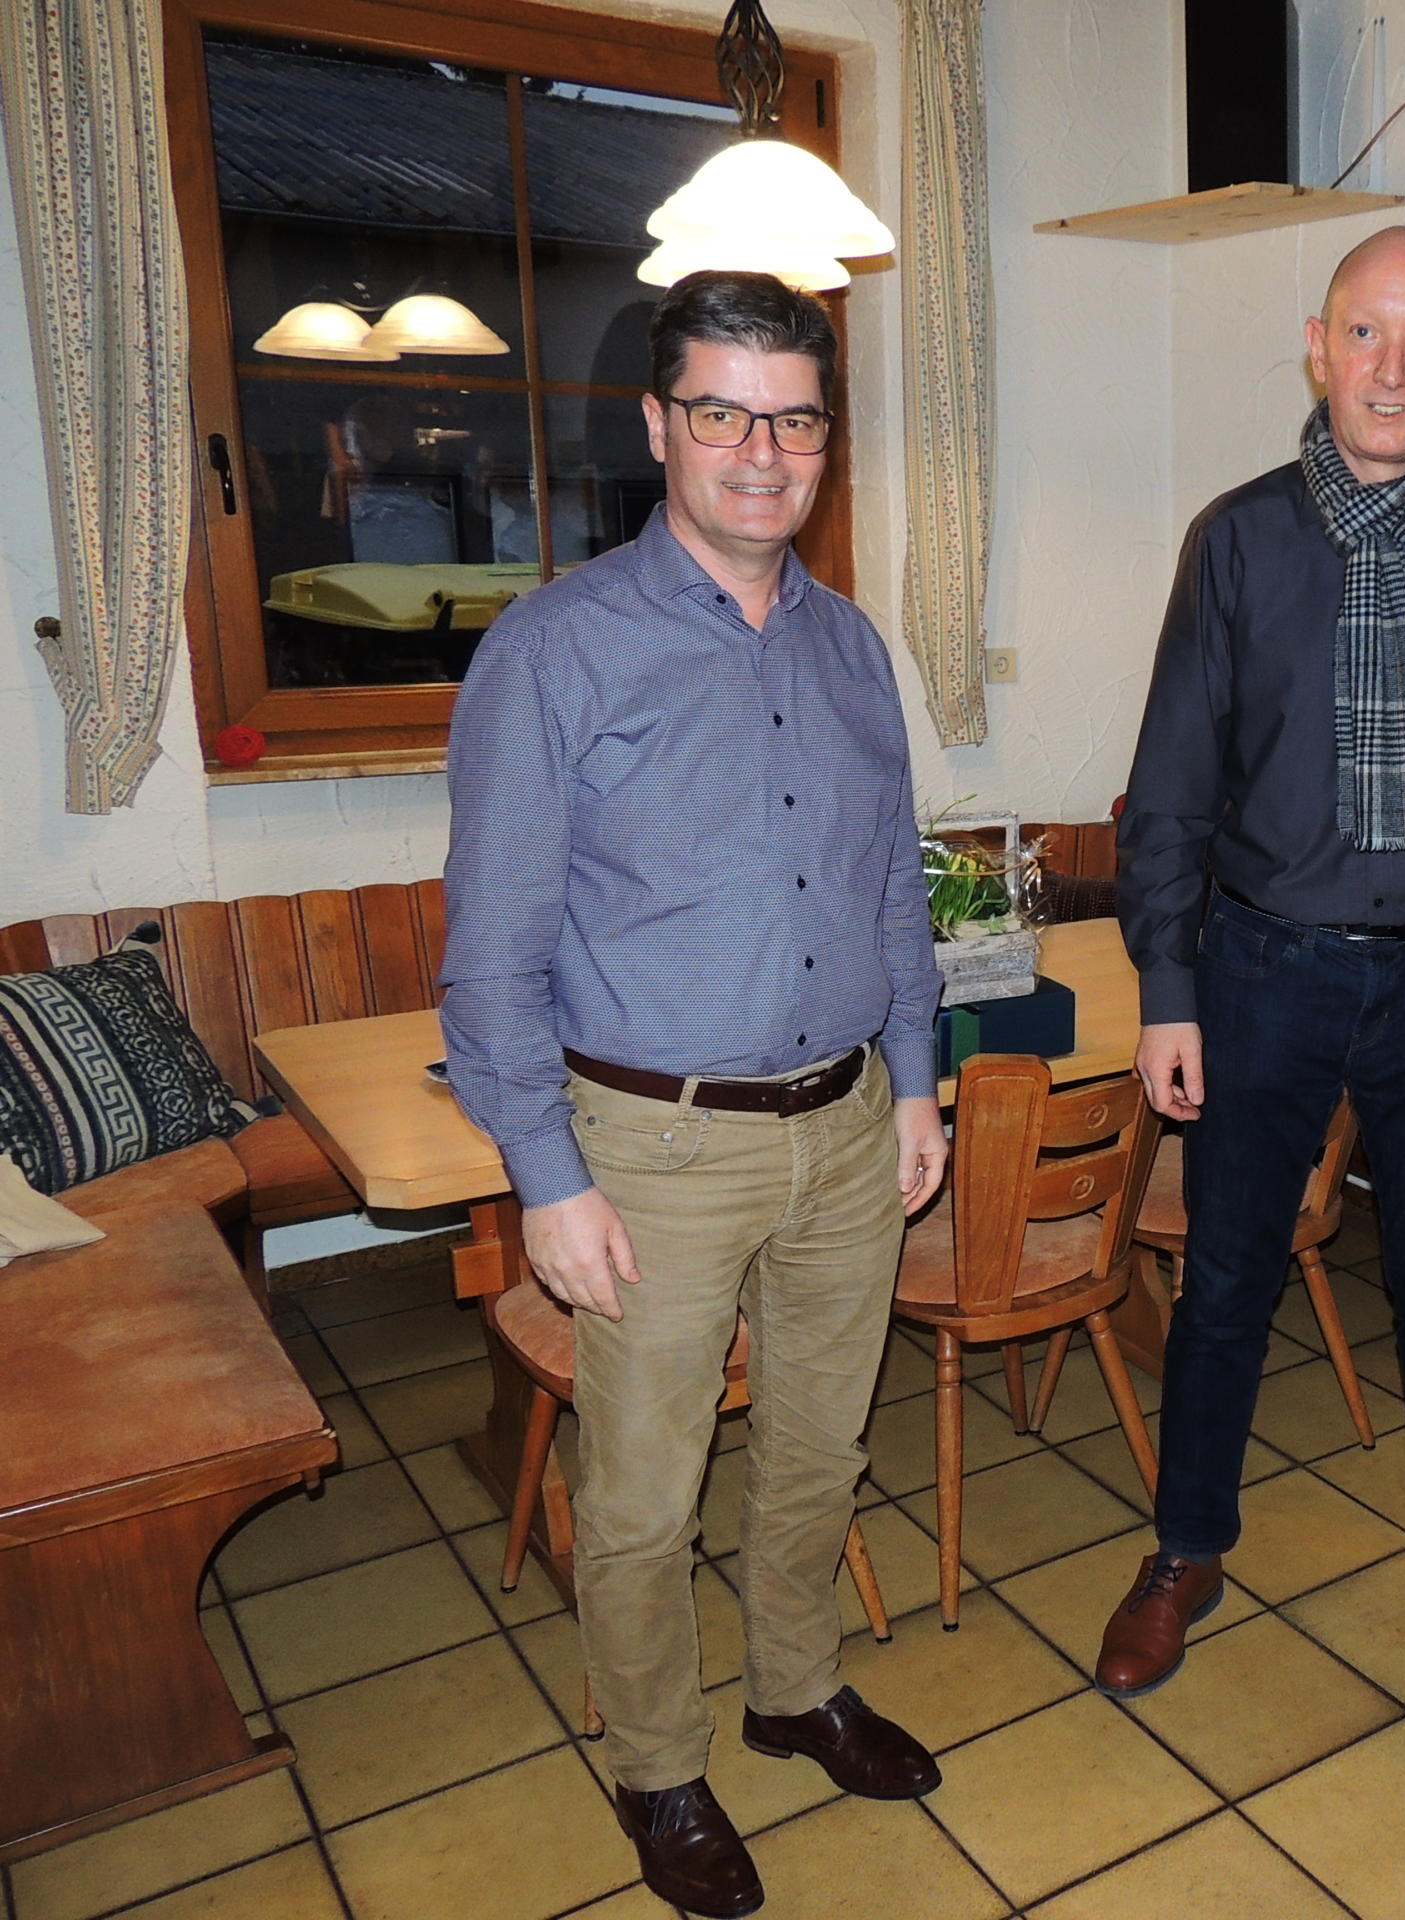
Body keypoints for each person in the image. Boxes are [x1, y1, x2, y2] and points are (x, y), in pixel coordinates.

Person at [441, 271, 946, 1920]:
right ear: (659, 425)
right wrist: (545, 1174)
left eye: (794, 419)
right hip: (648, 1150)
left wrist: (917, 1085)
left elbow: (890, 892)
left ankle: (795, 1690)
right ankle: (658, 1767)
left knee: (819, 1449)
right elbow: (491, 953)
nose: (761, 452)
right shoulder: (554, 651)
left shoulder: (854, 646)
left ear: (827, 440)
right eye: (723, 413)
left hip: (849, 1127)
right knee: (644, 1497)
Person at [1102, 226, 1405, 1701]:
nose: (1394, 368)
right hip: (1261, 971)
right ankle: (1186, 1549)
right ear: (1318, 349)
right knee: (1225, 1281)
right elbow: (1170, 787)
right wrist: (1169, 992)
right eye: (1366, 334)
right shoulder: (1237, 541)